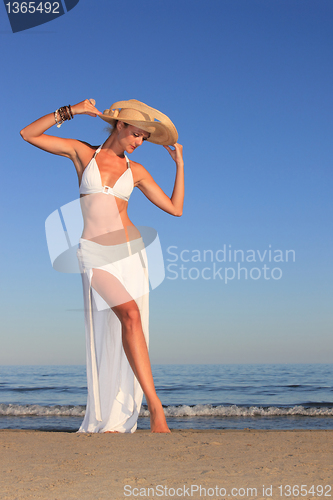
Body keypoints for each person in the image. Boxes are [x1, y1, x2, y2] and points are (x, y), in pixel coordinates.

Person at [20, 98, 184, 433]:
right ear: (120, 125)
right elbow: (28, 134)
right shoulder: (84, 154)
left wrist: (180, 165)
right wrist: (73, 111)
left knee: (130, 324)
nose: (139, 143)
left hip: (131, 254)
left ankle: (136, 409)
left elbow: (174, 208)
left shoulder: (135, 171)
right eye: (136, 134)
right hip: (94, 254)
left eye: (144, 138)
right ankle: (156, 408)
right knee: (130, 316)